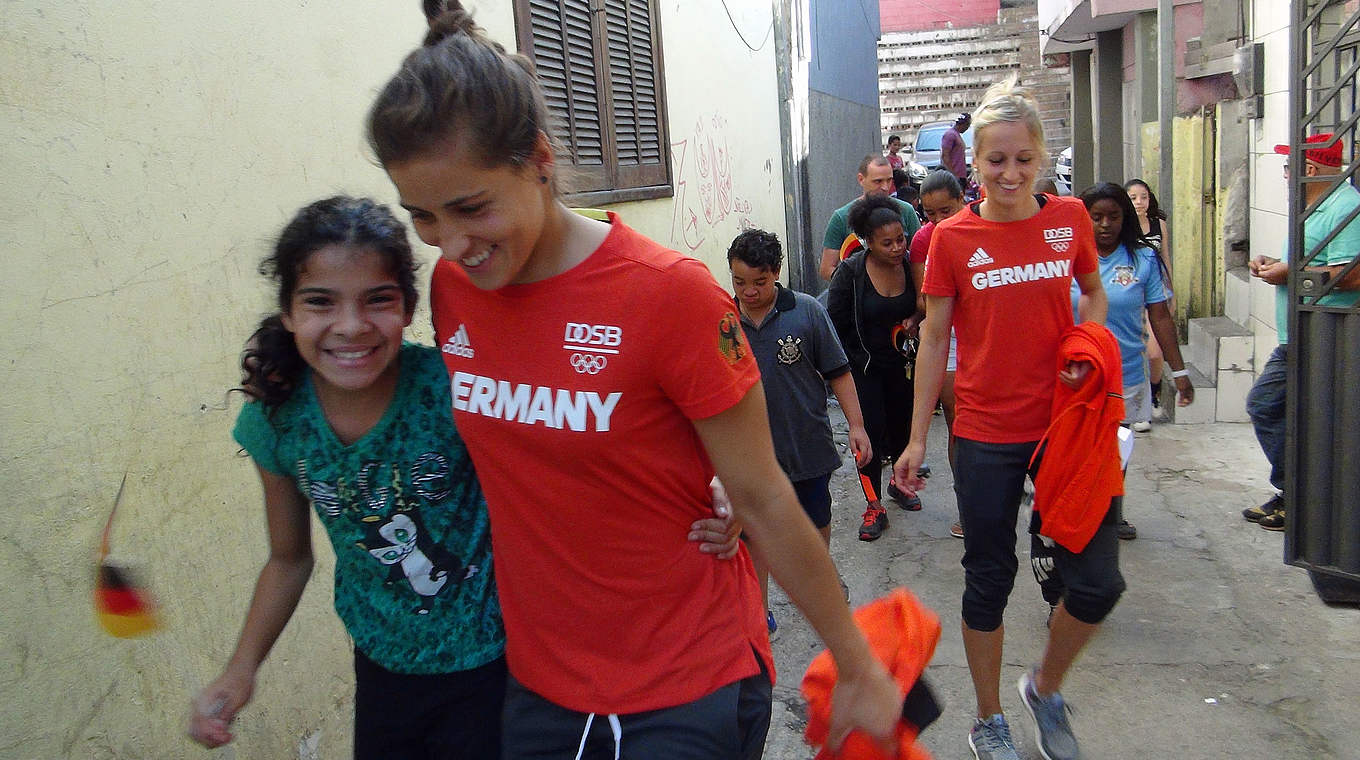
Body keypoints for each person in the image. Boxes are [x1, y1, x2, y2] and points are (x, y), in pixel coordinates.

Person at [368, 4, 905, 757]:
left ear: (542, 160)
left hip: (685, 680)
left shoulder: (671, 296)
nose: (451, 243)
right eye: (422, 216)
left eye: (471, 207)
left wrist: (854, 661)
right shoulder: (455, 292)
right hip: (540, 686)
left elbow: (762, 495)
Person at [185, 197, 738, 758]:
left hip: (498, 665)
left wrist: (712, 487)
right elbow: (288, 558)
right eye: (320, 302)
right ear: (287, 311)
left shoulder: (452, 390)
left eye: (377, 300)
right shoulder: (278, 420)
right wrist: (240, 670)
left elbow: (568, 464)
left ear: (407, 309)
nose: (350, 327)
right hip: (383, 667)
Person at [892, 76, 1123, 760]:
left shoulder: (1071, 220)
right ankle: (988, 719)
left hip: (1068, 426)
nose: (1011, 173)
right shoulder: (952, 239)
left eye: (1024, 159)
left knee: (1098, 581)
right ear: (976, 163)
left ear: (1041, 159)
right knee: (989, 576)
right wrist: (913, 437)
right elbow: (935, 338)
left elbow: (1092, 293)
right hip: (987, 431)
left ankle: (1044, 688)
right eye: (997, 160)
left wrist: (1090, 346)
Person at [727, 228, 872, 637]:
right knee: (754, 534)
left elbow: (838, 371)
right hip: (751, 452)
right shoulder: (722, 319)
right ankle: (760, 610)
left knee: (814, 523)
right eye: (739, 282)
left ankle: (818, 582)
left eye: (759, 282)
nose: (748, 292)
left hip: (806, 443)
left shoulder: (806, 311)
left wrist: (857, 426)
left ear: (776, 273)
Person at [1244, 133, 1360, 530]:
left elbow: (1351, 274)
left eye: (1289, 167)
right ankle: (1294, 494)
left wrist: (1286, 272)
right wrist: (1275, 263)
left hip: (1323, 335)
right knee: (1293, 415)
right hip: (1302, 334)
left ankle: (1299, 496)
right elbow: (1316, 263)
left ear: (1309, 170)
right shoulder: (1316, 208)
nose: (1286, 175)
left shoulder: (1346, 208)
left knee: (1267, 405)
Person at [1075, 182, 1195, 543]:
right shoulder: (1067, 257)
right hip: (1074, 376)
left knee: (1117, 447)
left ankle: (1112, 512)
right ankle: (1079, 510)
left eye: (1113, 216)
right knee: (1080, 449)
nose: (1105, 224)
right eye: (1096, 217)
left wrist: (1181, 371)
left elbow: (1159, 317)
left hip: (1125, 373)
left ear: (1125, 218)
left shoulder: (1144, 259)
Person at [828, 195, 924, 541]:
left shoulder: (912, 266)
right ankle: (873, 504)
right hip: (863, 371)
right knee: (868, 438)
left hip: (904, 368)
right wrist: (839, 370)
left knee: (901, 431)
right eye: (887, 243)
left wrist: (914, 318)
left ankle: (900, 485)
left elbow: (926, 304)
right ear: (867, 242)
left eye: (901, 239)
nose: (898, 247)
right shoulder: (851, 273)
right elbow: (833, 322)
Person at [909, 170, 967, 539]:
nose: (938, 221)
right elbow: (922, 299)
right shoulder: (923, 240)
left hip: (981, 333)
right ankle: (968, 505)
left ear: (962, 200)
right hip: (946, 334)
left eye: (946, 210)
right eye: (930, 214)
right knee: (957, 417)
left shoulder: (981, 226)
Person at [819, 154, 922, 281]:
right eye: (878, 181)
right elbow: (827, 268)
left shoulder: (906, 211)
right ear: (861, 179)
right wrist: (855, 284)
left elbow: (919, 259)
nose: (885, 187)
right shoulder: (841, 217)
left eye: (889, 180)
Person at [1124, 178, 1173, 418]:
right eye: (1133, 198)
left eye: (1143, 196)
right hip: (1132, 295)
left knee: (1155, 353)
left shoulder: (1158, 224)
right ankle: (1136, 407)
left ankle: (1154, 394)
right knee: (1135, 354)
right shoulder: (1123, 226)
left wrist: (1171, 292)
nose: (1139, 202)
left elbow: (1165, 258)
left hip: (1157, 295)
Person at [940, 113, 972, 186]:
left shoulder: (957, 135)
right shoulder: (950, 135)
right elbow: (945, 156)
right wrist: (953, 175)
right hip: (954, 177)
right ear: (964, 124)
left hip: (960, 175)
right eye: (967, 125)